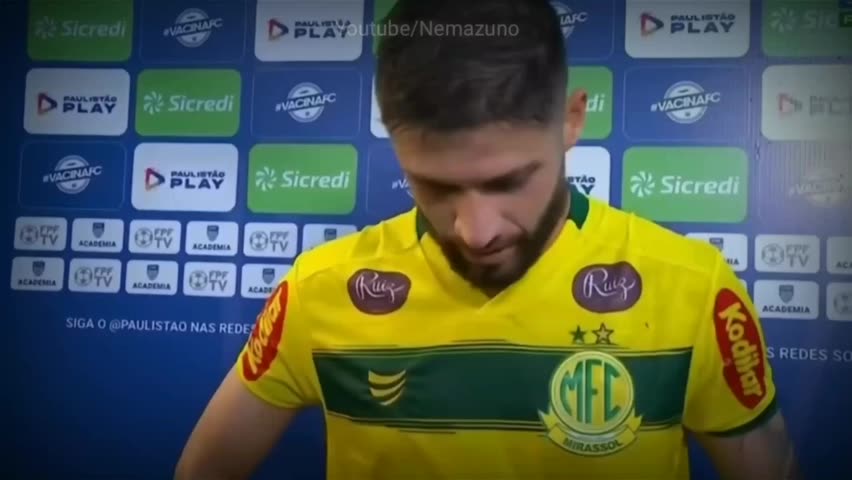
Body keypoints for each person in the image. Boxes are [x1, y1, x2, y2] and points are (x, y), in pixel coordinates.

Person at [175, 0, 802, 478]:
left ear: (571, 120)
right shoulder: (321, 290)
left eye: (509, 182)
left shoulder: (691, 289)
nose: (476, 232)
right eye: (435, 186)